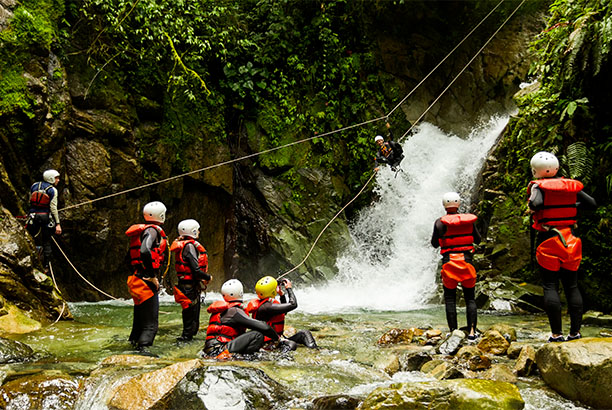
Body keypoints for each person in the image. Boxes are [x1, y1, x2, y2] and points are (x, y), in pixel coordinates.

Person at [527, 151, 596, 342]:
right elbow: (591, 203)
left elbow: (536, 203)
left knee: (550, 286)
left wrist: (533, 207)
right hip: (571, 240)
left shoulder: (537, 186)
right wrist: (572, 205)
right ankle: (575, 332)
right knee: (572, 286)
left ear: (535, 170)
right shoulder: (569, 186)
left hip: (549, 240)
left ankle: (556, 334)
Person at [431, 192, 480, 340]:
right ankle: (472, 332)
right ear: (458, 204)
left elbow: (434, 243)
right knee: (470, 298)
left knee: (450, 299)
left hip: (449, 263)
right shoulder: (468, 222)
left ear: (444, 205)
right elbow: (477, 239)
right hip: (466, 261)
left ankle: (453, 331)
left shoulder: (439, 223)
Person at [125, 201, 168, 351]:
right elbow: (144, 250)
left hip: (135, 279)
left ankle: (132, 346)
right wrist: (151, 275)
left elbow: (128, 258)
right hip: (145, 281)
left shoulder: (140, 232)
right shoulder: (152, 231)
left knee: (139, 321)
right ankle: (143, 351)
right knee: (150, 325)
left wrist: (137, 273)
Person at [202, 279, 279, 359]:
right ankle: (246, 360)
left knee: (253, 333)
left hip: (210, 350)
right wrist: (277, 339)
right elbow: (263, 327)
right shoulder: (235, 311)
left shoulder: (222, 310)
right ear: (241, 293)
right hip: (219, 351)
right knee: (257, 335)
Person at [245, 276, 318, 351]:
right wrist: (289, 288)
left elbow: (284, 311)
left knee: (304, 333)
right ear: (272, 291)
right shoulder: (267, 307)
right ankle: (281, 357)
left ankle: (315, 351)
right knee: (292, 345)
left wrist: (282, 295)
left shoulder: (266, 304)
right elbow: (293, 304)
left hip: (275, 340)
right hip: (269, 343)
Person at [170, 219, 212, 342]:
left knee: (191, 315)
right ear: (192, 231)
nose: (198, 232)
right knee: (190, 316)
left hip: (187, 285)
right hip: (189, 287)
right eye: (197, 230)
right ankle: (185, 340)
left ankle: (187, 338)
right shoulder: (189, 247)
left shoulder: (184, 245)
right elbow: (196, 270)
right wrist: (208, 277)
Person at [26, 169, 62, 270]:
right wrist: (58, 224)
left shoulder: (34, 185)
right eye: (56, 178)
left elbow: (30, 200)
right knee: (46, 241)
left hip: (33, 216)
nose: (58, 180)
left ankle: (32, 259)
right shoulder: (53, 190)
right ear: (51, 178)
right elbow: (53, 208)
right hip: (45, 217)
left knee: (31, 237)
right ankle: (46, 266)